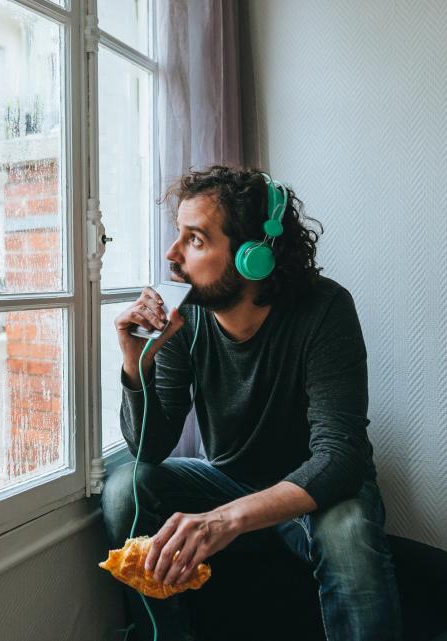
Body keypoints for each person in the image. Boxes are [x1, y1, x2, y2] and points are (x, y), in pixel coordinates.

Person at [101, 165, 401, 640]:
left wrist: (227, 520)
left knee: (346, 530)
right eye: (178, 235)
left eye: (195, 240)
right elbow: (150, 449)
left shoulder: (325, 310)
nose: (172, 254)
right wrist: (136, 364)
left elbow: (340, 458)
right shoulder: (187, 317)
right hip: (227, 480)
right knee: (125, 487)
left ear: (252, 258)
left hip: (310, 495)